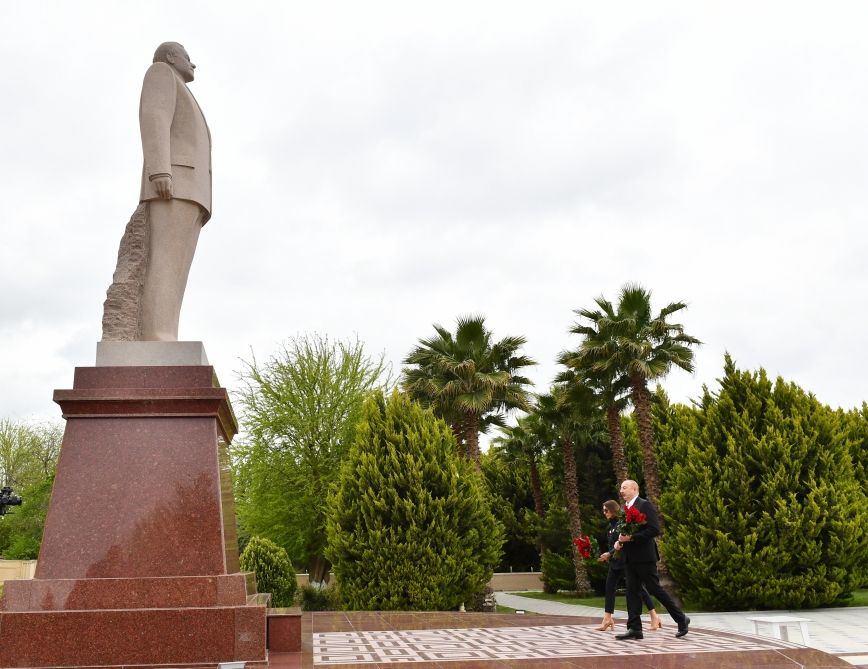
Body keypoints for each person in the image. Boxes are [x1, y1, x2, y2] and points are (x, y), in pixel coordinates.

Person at [138, 41, 212, 341]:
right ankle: (156, 336)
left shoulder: (182, 86)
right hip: (174, 183)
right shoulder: (160, 73)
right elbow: (154, 117)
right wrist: (160, 170)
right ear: (171, 57)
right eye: (188, 58)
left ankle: (165, 333)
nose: (193, 64)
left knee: (177, 269)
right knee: (166, 262)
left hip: (192, 190)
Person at [614, 479, 690, 640]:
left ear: (634, 489)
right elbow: (624, 532)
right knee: (632, 592)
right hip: (629, 557)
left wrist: (632, 538)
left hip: (644, 557)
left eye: (624, 487)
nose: (621, 490)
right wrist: (619, 541)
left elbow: (654, 529)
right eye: (621, 488)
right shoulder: (624, 508)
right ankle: (635, 628)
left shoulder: (644, 505)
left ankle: (681, 619)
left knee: (654, 589)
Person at [596, 499, 661, 631]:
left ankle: (654, 616)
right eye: (603, 510)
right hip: (615, 562)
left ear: (613, 510)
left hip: (626, 561)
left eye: (606, 510)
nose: (604, 513)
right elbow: (612, 544)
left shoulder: (622, 523)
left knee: (640, 590)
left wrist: (610, 553)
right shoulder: (610, 526)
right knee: (609, 588)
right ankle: (607, 618)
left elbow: (624, 542)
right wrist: (608, 554)